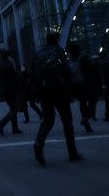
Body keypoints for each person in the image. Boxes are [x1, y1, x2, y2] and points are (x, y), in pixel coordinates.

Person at [31, 33, 82, 166]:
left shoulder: (38, 54)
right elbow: (66, 70)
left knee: (48, 120)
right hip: (60, 91)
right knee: (67, 122)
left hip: (44, 91)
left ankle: (38, 143)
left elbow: (33, 75)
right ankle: (72, 152)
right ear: (57, 41)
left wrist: (37, 91)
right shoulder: (58, 51)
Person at [0, 51, 22, 135]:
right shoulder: (9, 65)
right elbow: (15, 77)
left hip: (4, 90)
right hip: (11, 90)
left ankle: (15, 128)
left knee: (12, 108)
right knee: (14, 109)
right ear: (8, 57)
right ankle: (2, 123)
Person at [68, 43, 95, 133]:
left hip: (75, 84)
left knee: (82, 102)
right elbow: (91, 67)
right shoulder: (83, 58)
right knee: (93, 100)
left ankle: (87, 124)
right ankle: (86, 118)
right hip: (85, 83)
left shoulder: (70, 60)